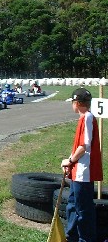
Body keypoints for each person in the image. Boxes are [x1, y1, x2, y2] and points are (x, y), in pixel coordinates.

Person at [60, 88, 103, 242]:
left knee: (82, 209)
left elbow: (84, 146)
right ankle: (71, 236)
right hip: (77, 171)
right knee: (72, 205)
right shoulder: (84, 118)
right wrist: (70, 162)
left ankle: (86, 239)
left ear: (77, 103)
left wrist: (70, 161)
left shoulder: (87, 118)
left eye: (72, 102)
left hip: (83, 172)